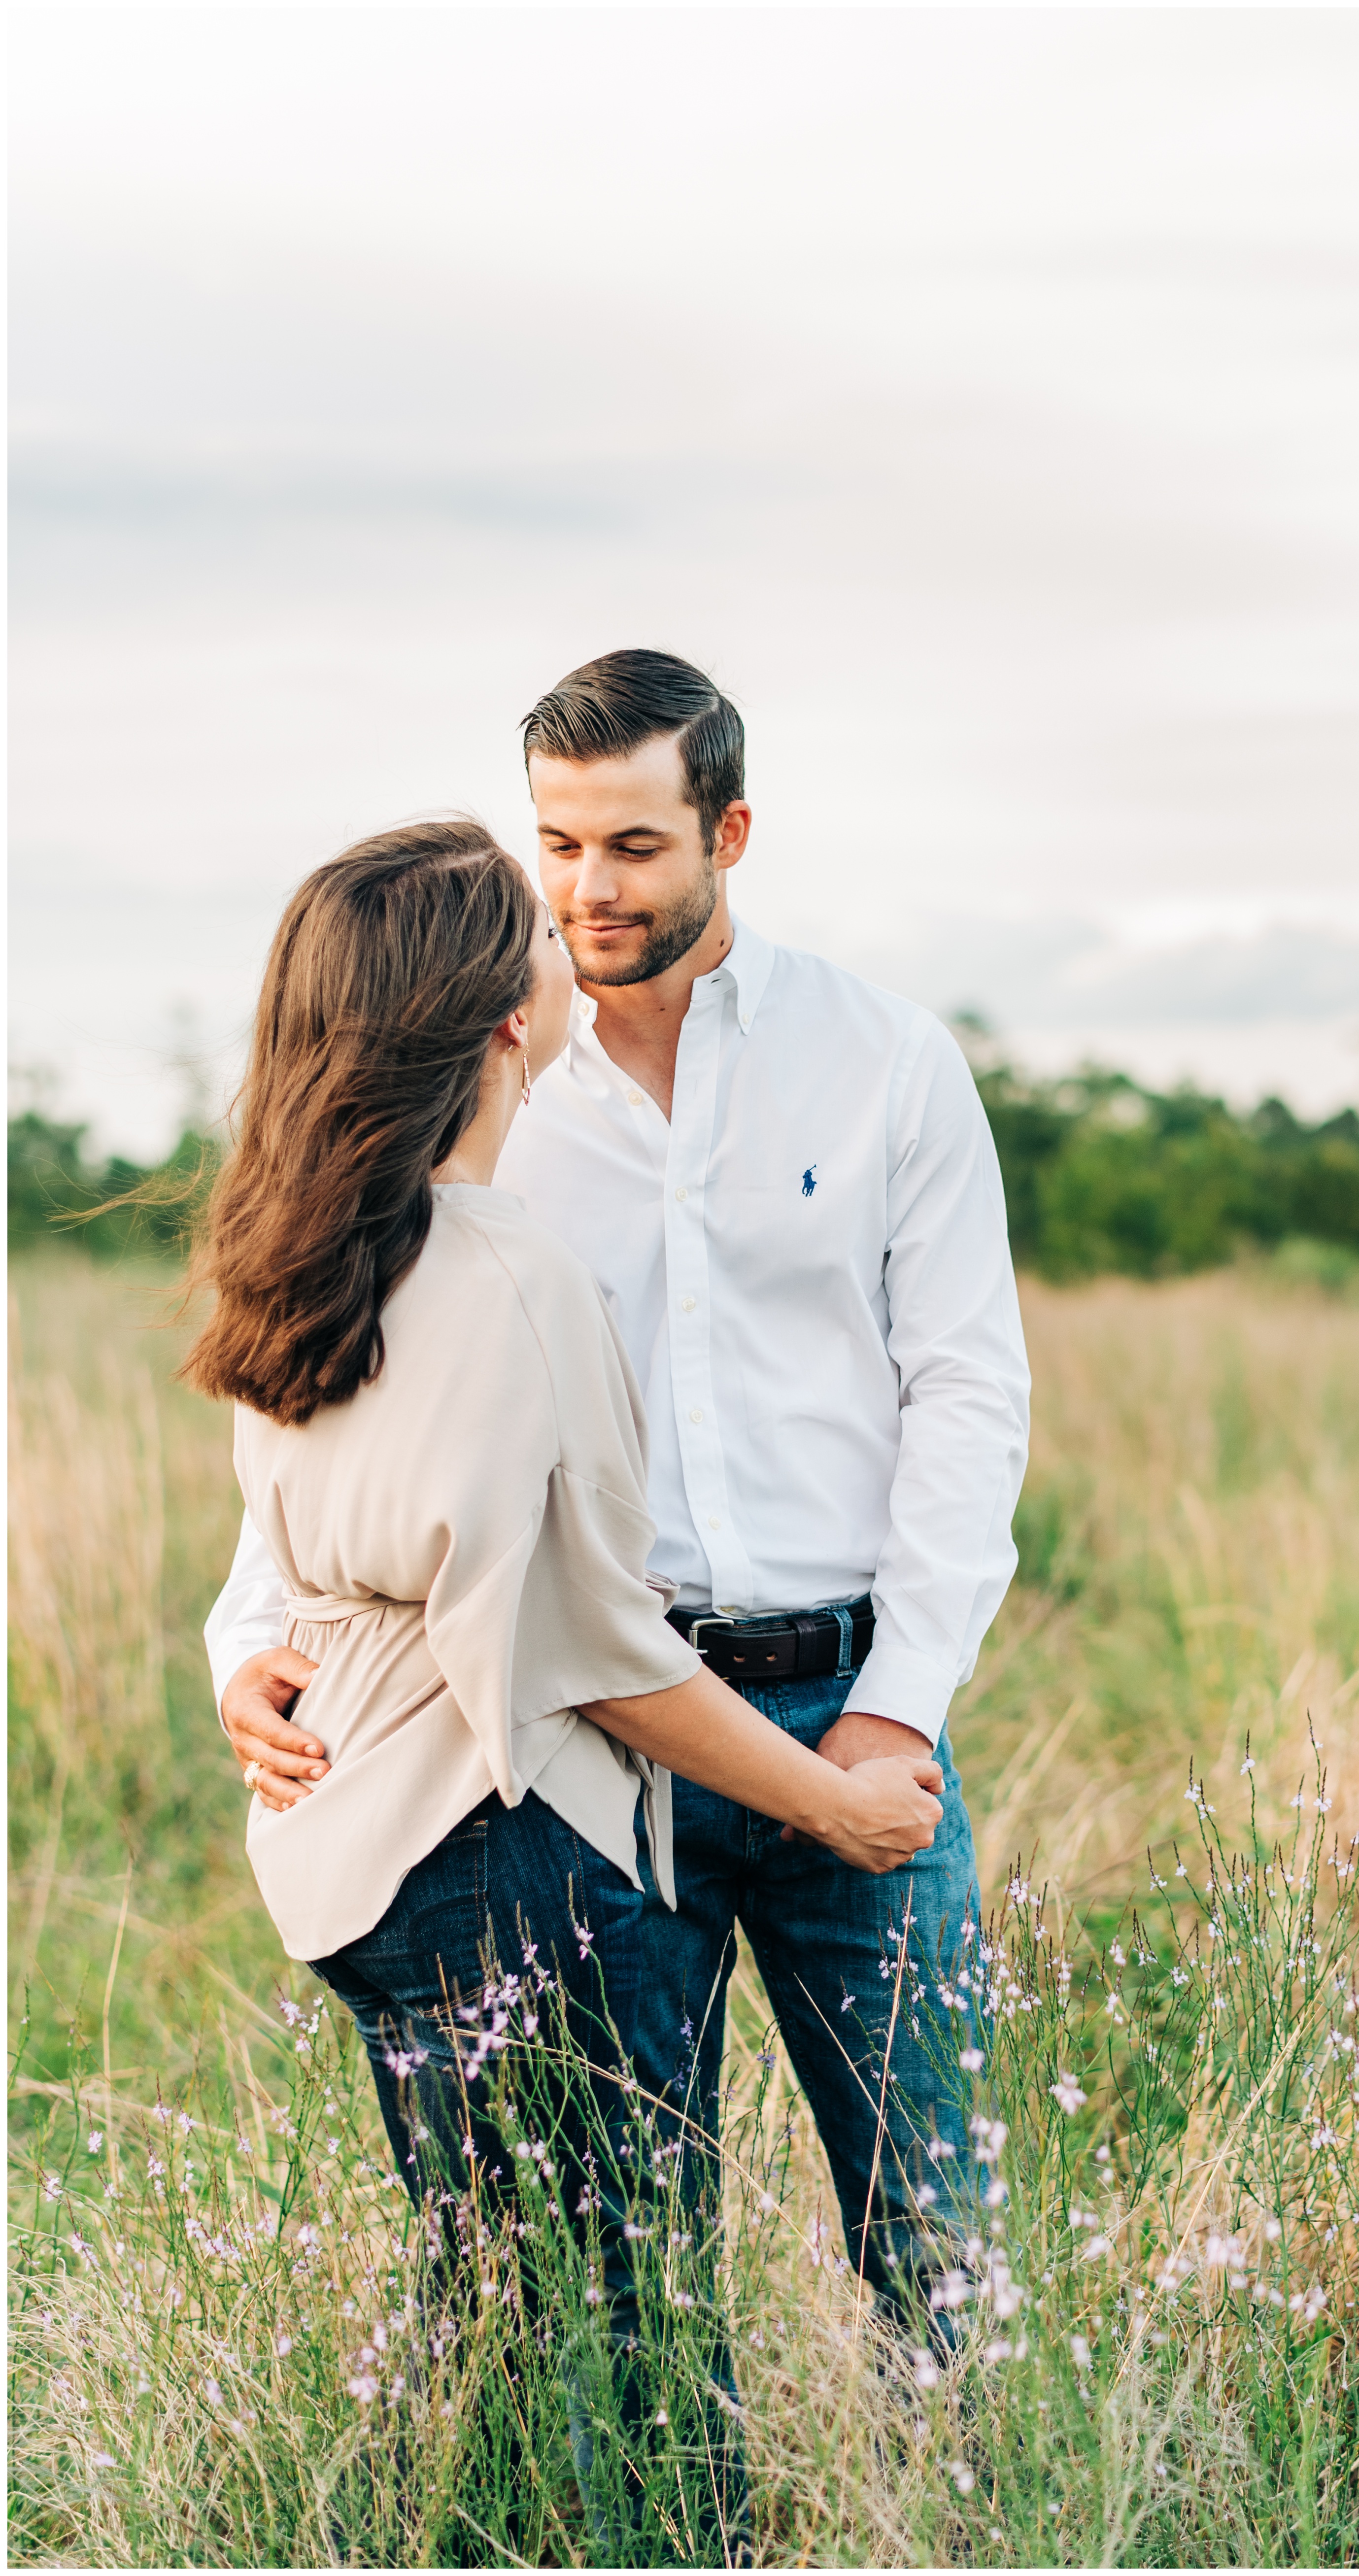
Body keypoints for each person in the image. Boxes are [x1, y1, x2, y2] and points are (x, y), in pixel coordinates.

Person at [207, 652, 1031, 2369]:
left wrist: (896, 1706)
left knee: (937, 2231)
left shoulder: (883, 1062)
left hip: (844, 1700)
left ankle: (963, 2527)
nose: (587, 890)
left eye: (635, 845)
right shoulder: (479, 1085)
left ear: (728, 831)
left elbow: (969, 1394)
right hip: (583, 1755)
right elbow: (351, 1379)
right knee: (626, 2261)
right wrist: (254, 1639)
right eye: (559, 843)